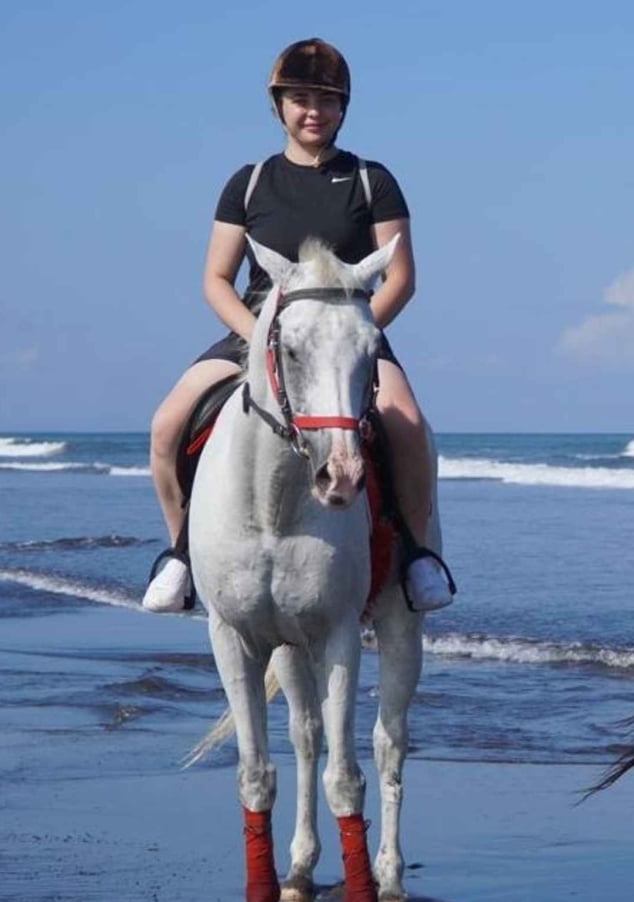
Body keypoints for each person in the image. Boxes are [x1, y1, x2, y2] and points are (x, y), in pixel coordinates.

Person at [142, 38, 454, 613]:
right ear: (279, 105)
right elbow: (216, 278)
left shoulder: (372, 180)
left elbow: (400, 278)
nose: (314, 111)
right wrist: (263, 342)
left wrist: (350, 342)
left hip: (351, 332)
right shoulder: (250, 182)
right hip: (254, 331)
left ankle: (416, 556)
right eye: (301, 98)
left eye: (328, 100)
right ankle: (182, 554)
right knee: (166, 425)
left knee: (407, 423)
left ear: (345, 108)